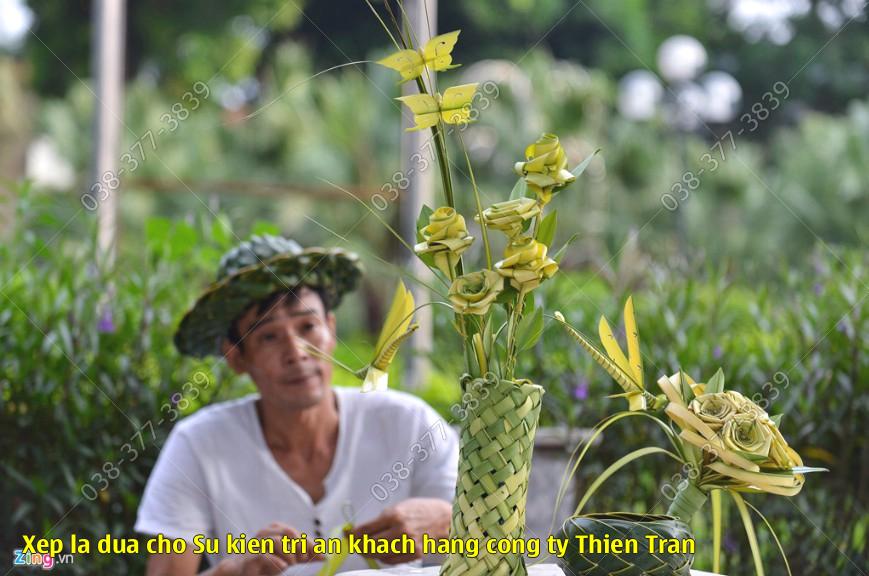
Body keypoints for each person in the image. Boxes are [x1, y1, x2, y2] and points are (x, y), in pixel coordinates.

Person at [135, 235, 458, 576]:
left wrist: (447, 524)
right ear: (236, 357)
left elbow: (498, 549)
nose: (297, 352)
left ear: (331, 330)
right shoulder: (199, 445)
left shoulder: (411, 425)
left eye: (308, 326)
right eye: (269, 336)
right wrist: (233, 570)